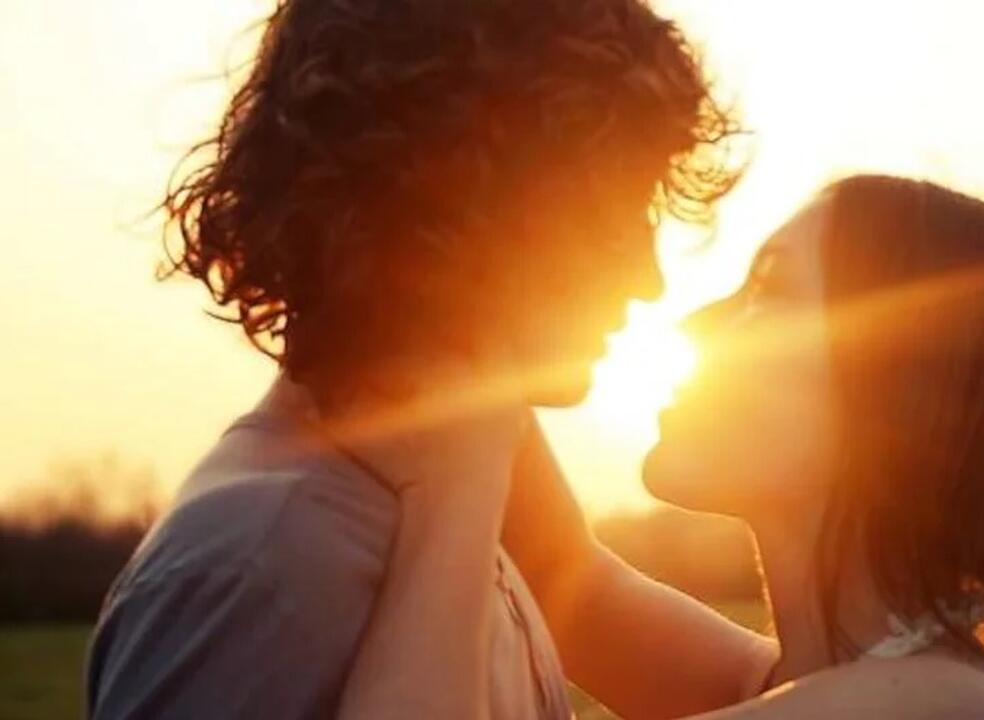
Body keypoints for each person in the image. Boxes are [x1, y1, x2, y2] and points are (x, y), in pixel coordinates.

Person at [86, 1, 780, 717]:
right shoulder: (257, 567)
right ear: (465, 211)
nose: (648, 279)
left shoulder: (454, 486)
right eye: (613, 223)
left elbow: (598, 596)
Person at [340, 175, 984, 719]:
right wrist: (435, 284)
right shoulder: (841, 682)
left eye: (766, 291)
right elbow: (566, 576)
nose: (694, 321)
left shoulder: (926, 709)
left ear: (900, 391)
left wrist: (452, 485)